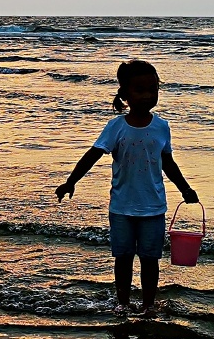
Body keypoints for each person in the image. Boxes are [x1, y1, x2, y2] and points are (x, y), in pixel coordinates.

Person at [56, 59, 199, 318]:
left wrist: (185, 189)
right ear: (125, 94)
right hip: (122, 207)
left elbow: (167, 162)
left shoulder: (161, 126)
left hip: (154, 207)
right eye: (140, 90)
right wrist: (71, 181)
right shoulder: (116, 127)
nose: (147, 96)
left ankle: (148, 305)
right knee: (123, 258)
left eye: (153, 90)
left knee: (150, 259)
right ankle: (122, 303)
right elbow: (93, 154)